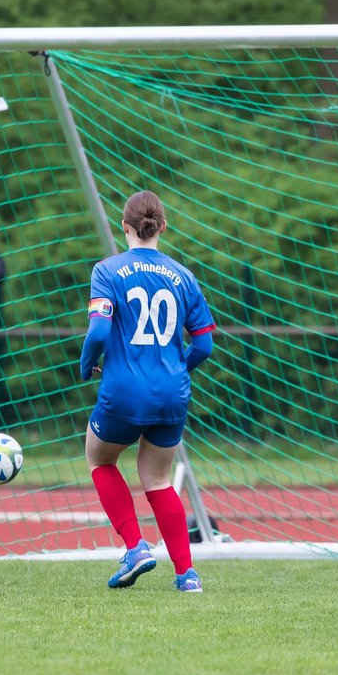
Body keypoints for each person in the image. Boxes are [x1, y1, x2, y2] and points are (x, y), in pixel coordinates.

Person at [80, 190, 215, 593]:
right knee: (157, 478)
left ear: (125, 228)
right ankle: (187, 575)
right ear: (163, 227)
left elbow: (100, 329)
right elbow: (205, 344)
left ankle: (136, 547)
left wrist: (88, 364)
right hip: (172, 393)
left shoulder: (107, 270)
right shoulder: (184, 276)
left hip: (124, 390)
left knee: (100, 459)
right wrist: (175, 369)